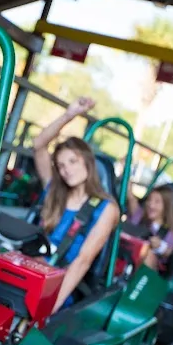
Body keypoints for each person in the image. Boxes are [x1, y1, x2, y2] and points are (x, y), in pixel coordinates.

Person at [32, 98, 120, 312]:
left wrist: (49, 308)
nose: (66, 170)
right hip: (33, 267)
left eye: (73, 161)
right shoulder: (54, 190)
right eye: (61, 165)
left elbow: (83, 260)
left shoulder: (106, 208)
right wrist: (69, 115)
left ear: (87, 162)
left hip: (61, 285)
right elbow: (38, 145)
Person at [125, 184, 173, 271]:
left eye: (157, 202)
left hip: (147, 273)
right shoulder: (139, 215)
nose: (151, 205)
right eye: (149, 200)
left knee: (148, 253)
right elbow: (131, 198)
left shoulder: (170, 233)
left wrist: (160, 246)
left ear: (166, 206)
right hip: (125, 257)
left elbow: (169, 252)